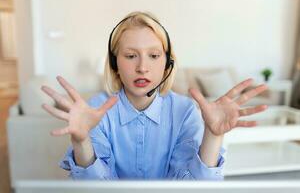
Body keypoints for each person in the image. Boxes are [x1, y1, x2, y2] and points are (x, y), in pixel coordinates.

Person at [41, 11, 268, 180]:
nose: (142, 67)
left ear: (167, 64)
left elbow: (193, 188)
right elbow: (95, 189)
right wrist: (82, 143)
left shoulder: (185, 111)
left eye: (154, 55)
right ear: (114, 64)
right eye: (131, 56)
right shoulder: (96, 109)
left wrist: (213, 136)